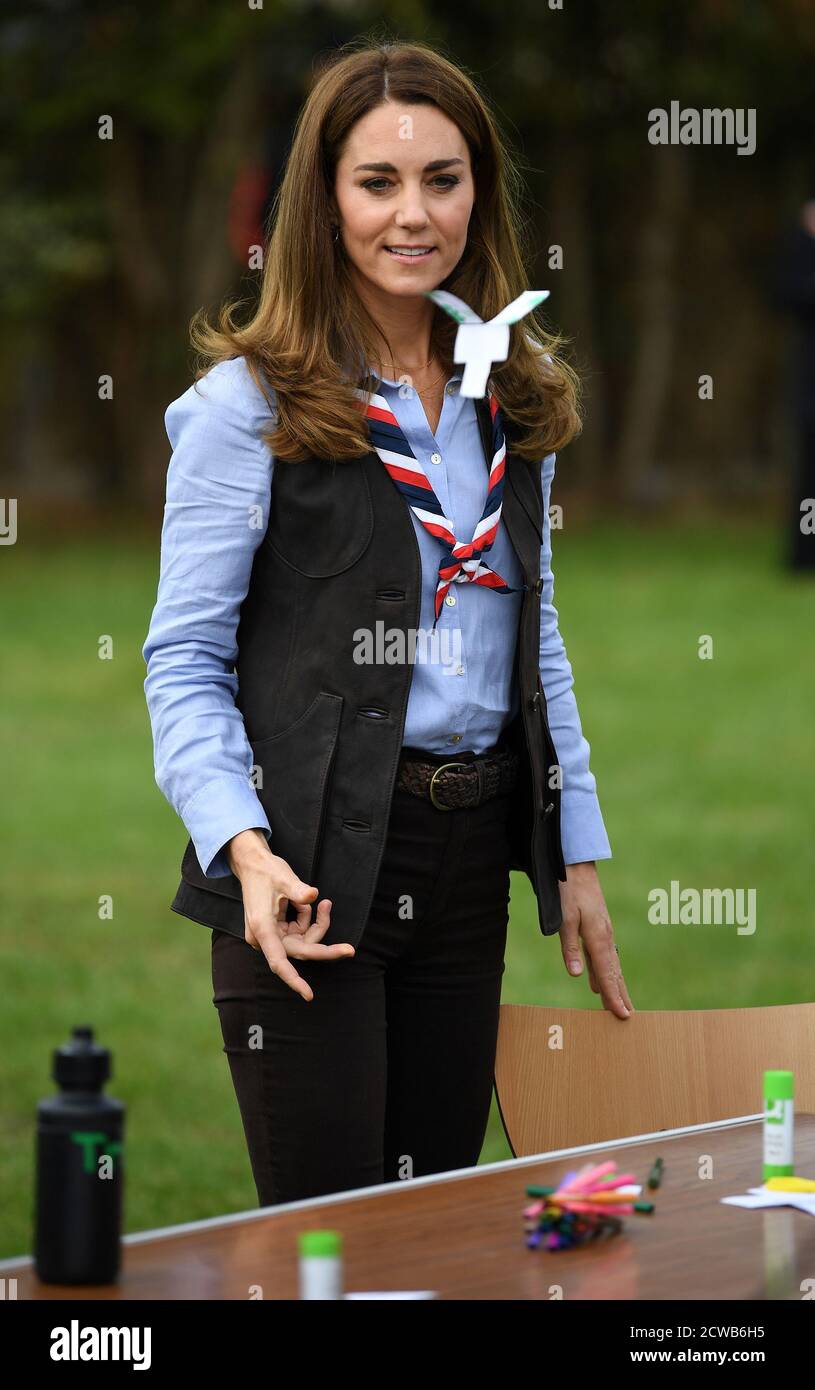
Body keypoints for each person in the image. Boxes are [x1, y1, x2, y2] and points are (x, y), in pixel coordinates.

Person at [141, 38, 633, 1209]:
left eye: (443, 180)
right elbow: (183, 658)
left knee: (432, 1238)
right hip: (307, 867)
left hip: (468, 862)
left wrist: (573, 845)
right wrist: (244, 851)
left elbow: (534, 628)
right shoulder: (244, 409)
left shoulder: (510, 395)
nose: (413, 215)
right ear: (324, 200)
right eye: (377, 183)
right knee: (335, 1249)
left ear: (480, 193)